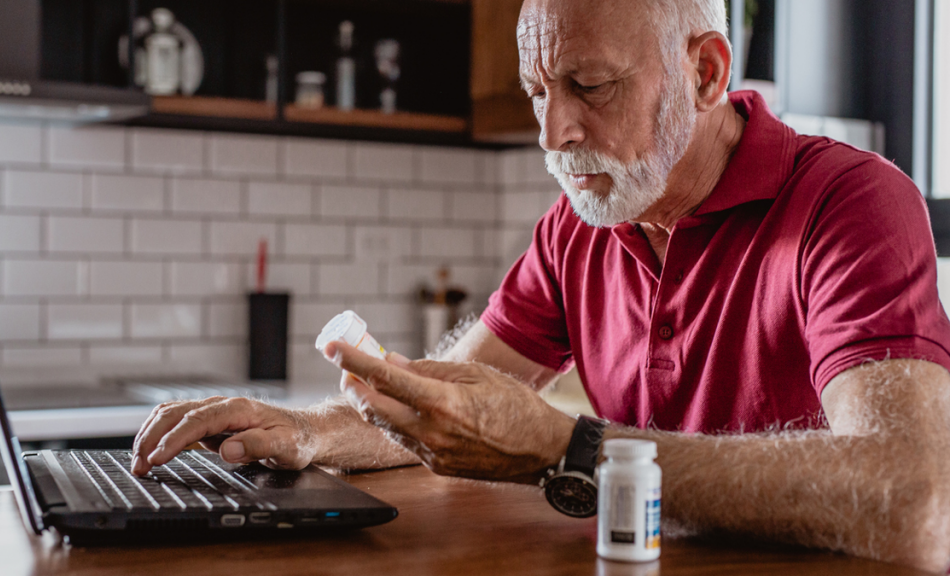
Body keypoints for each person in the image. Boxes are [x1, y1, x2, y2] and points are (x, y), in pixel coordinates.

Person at [131, 0, 950, 571]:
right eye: (537, 92)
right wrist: (308, 430)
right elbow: (453, 402)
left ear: (705, 72)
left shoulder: (851, 202)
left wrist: (574, 451)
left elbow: (914, 501)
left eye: (590, 86)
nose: (554, 132)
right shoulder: (579, 224)